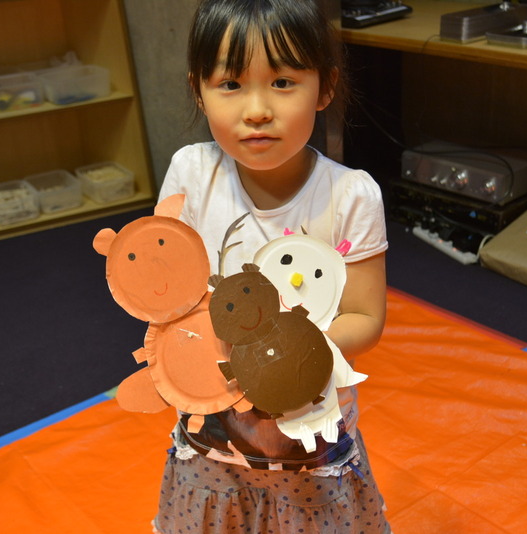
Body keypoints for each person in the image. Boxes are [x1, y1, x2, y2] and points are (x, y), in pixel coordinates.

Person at [153, 0, 390, 531]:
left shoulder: (350, 195)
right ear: (199, 90)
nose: (257, 109)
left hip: (307, 434)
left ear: (325, 87)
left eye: (282, 82)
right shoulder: (191, 173)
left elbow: (365, 318)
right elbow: (168, 292)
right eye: (231, 84)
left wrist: (277, 358)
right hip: (212, 434)